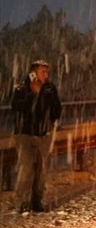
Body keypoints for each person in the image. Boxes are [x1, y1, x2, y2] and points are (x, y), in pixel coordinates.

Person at [11, 60, 62, 213]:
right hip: (25, 133)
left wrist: (52, 120)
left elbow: (56, 107)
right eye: (42, 72)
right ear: (33, 72)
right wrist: (32, 94)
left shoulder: (50, 88)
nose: (45, 75)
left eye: (47, 72)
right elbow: (16, 106)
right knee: (26, 169)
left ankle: (37, 201)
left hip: (43, 134)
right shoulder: (22, 87)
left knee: (41, 170)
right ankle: (21, 202)